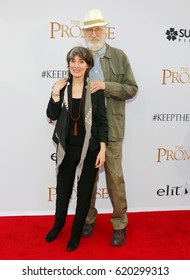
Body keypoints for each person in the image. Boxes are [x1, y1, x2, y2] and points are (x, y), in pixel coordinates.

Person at [81, 9, 138, 246]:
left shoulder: (119, 56)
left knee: (114, 179)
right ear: (84, 32)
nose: (94, 33)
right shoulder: (79, 58)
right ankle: (88, 218)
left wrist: (106, 85)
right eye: (90, 29)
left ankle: (119, 224)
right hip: (86, 131)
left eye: (98, 29)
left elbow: (131, 89)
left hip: (112, 130)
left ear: (105, 30)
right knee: (87, 180)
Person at [45, 46, 108, 252]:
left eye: (81, 61)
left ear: (88, 65)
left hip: (89, 150)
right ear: (69, 64)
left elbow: (101, 121)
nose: (76, 65)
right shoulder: (62, 86)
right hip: (67, 149)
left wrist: (102, 149)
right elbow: (52, 115)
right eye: (73, 61)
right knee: (63, 192)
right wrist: (55, 92)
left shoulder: (94, 89)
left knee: (84, 195)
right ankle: (58, 225)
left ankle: (75, 233)